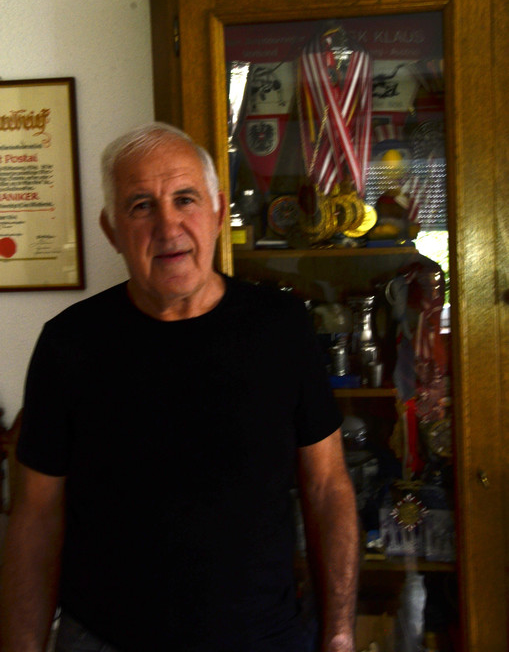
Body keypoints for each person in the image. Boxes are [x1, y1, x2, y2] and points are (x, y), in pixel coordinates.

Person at [0, 123, 359, 652]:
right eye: (141, 206)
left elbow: (328, 488)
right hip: (103, 640)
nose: (168, 226)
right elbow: (35, 516)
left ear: (217, 212)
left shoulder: (281, 328)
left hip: (264, 638)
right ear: (111, 230)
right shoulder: (68, 345)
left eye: (185, 199)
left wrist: (340, 634)